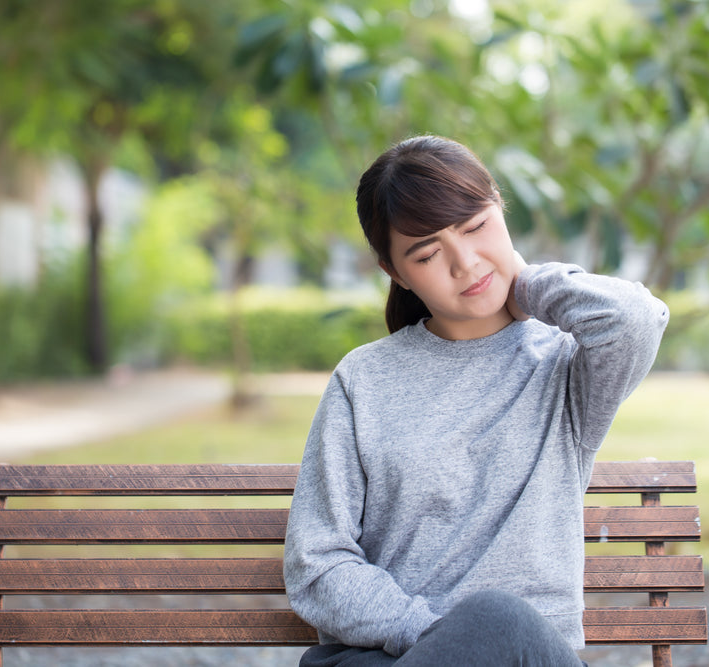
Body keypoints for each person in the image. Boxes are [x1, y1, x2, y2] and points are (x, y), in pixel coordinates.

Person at [283, 135, 670, 666]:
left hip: (528, 657)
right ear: (396, 273)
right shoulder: (365, 379)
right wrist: (439, 639)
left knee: (500, 620)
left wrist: (526, 286)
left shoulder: (563, 368)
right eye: (427, 253)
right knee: (488, 623)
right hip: (385, 657)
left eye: (475, 227)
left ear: (501, 210)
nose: (465, 263)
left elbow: (636, 319)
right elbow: (317, 563)